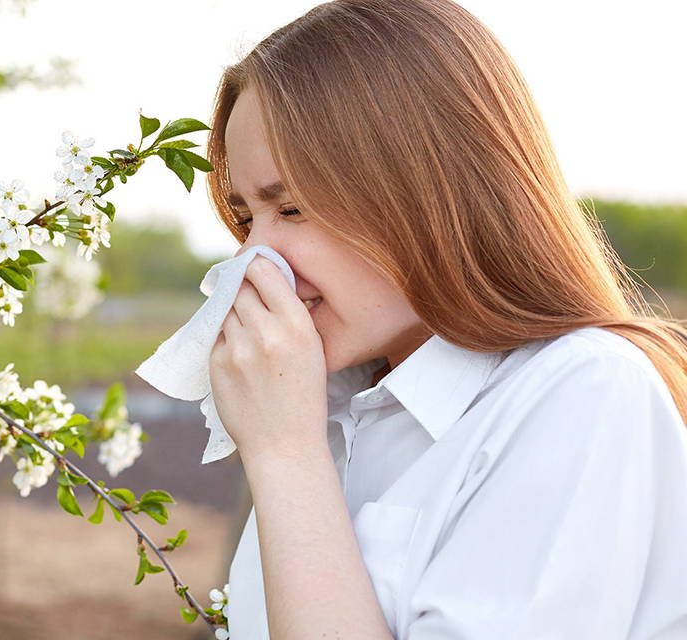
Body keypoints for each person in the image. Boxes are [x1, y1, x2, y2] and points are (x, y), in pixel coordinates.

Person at [202, 0, 687, 638]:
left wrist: (286, 457)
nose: (253, 259)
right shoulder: (333, 411)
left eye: (290, 209)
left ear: (430, 190)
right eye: (244, 218)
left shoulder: (581, 392)